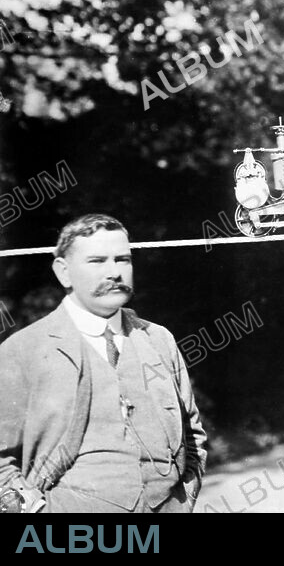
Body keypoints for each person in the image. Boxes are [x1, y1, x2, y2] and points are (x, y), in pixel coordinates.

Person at [0, 214, 207, 513]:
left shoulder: (159, 339)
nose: (114, 272)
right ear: (64, 272)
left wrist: (185, 499)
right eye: (97, 261)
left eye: (123, 259)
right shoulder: (23, 350)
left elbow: (193, 435)